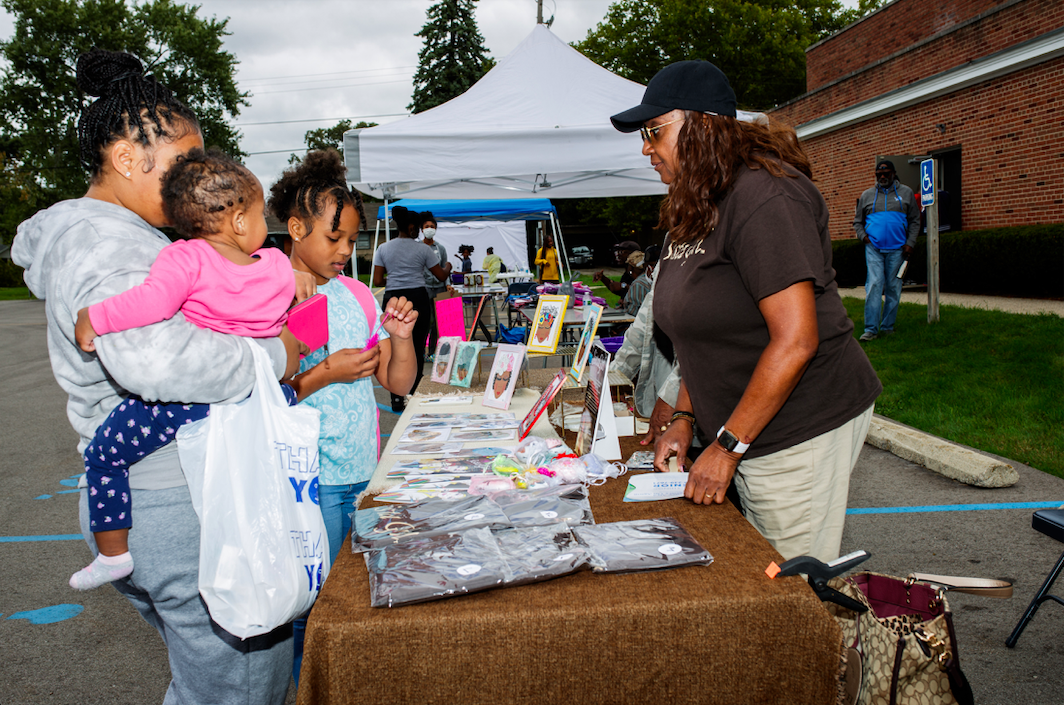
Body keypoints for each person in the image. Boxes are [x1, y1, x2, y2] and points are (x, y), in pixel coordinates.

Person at [11, 49, 297, 702]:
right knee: (241, 690)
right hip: (177, 498)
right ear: (129, 160)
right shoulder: (109, 245)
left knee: (208, 685)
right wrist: (276, 355)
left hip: (144, 498)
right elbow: (155, 359)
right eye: (183, 164)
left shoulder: (119, 236)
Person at [611, 60, 882, 563]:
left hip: (799, 426)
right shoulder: (696, 205)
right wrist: (687, 415)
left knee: (788, 584)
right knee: (751, 566)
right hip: (744, 426)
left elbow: (797, 340)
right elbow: (701, 334)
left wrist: (728, 446)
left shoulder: (764, 196)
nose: (645, 148)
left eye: (654, 131)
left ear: (703, 125)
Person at [67, 147, 303, 591]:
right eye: (257, 216)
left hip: (185, 407)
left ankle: (113, 555)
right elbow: (289, 313)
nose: (262, 227)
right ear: (237, 222)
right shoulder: (277, 266)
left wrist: (94, 316)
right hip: (257, 399)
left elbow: (150, 304)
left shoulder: (185, 258)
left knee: (102, 457)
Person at [268, 149, 418, 685]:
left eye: (352, 241)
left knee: (360, 598)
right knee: (313, 607)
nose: (344, 251)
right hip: (307, 479)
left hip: (362, 472)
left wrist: (400, 340)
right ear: (295, 227)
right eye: (333, 239)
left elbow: (397, 383)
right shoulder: (269, 292)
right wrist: (326, 371)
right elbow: (265, 395)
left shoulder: (355, 294)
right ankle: (308, 688)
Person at [373, 205, 449, 412]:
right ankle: (413, 393)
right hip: (418, 296)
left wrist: (397, 275)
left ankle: (396, 398)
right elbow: (441, 276)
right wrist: (448, 267)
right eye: (416, 227)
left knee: (392, 346)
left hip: (392, 297)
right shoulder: (423, 249)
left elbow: (378, 280)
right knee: (415, 347)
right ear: (411, 227)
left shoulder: (383, 248)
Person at [854, 159, 921, 341]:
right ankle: (871, 329)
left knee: (893, 287)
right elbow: (857, 222)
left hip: (898, 250)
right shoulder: (867, 195)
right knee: (874, 285)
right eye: (879, 174)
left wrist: (910, 243)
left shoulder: (906, 193)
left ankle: (888, 327)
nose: (882, 177)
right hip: (873, 248)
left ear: (893, 173)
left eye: (886, 173)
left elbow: (915, 220)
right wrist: (864, 237)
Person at [419, 212, 452, 357]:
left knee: (437, 322)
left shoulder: (441, 248)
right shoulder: (418, 247)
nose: (429, 229)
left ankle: (432, 352)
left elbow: (445, 267)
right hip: (424, 288)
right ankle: (420, 351)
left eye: (432, 226)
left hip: (439, 288)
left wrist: (448, 284)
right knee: (425, 320)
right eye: (426, 226)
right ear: (422, 230)